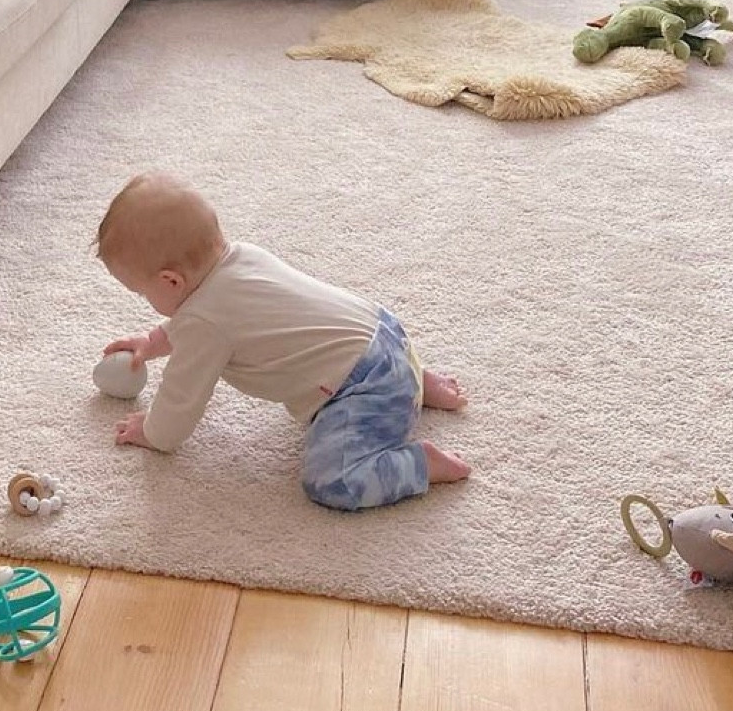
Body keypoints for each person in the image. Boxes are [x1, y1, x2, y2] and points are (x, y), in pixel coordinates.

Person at [96, 171, 469, 510]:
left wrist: (153, 432)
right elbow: (197, 323)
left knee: (331, 481)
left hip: (366, 387)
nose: (146, 300)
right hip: (386, 336)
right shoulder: (240, 258)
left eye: (141, 292)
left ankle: (419, 463)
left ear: (170, 281)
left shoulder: (204, 322)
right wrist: (151, 342)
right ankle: (418, 380)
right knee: (362, 357)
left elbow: (181, 399)